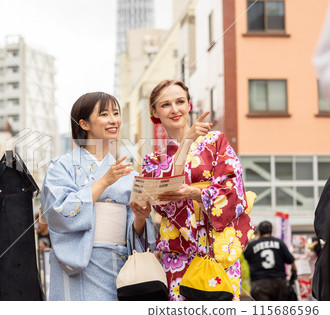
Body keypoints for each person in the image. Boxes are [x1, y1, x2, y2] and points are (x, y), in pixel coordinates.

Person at [141, 80, 255, 301]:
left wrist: (196, 194)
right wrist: (186, 143)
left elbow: (234, 190)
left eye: (180, 101)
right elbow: (161, 199)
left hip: (218, 246)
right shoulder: (152, 160)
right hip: (179, 251)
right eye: (165, 105)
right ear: (154, 112)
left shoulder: (216, 141)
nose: (175, 109)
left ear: (189, 105)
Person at [41, 92, 156, 300]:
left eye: (116, 113)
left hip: (117, 263)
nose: (113, 120)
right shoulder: (61, 166)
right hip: (79, 264)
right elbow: (58, 212)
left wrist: (140, 218)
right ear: (84, 124)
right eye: (104, 114)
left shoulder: (130, 173)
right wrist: (104, 181)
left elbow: (138, 233)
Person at [243, 221, 296, 301]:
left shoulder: (252, 245)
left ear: (259, 232)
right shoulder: (279, 243)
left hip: (260, 283)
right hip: (279, 282)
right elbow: (291, 260)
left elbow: (245, 257)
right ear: (271, 231)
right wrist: (294, 272)